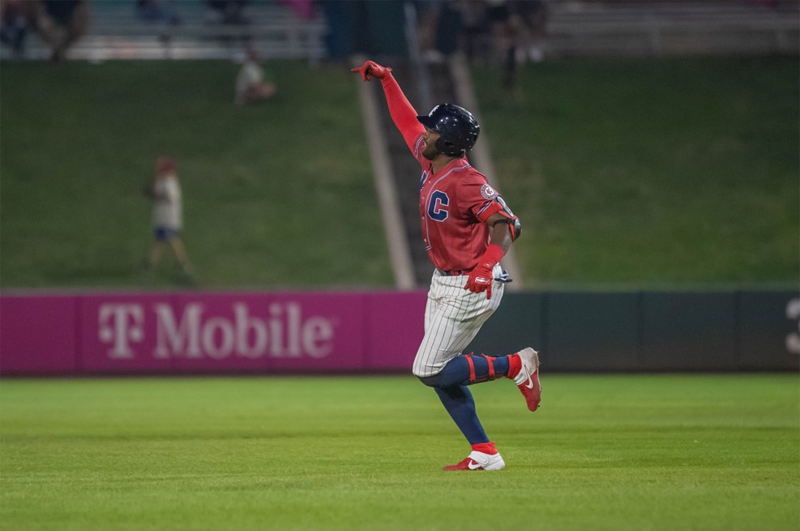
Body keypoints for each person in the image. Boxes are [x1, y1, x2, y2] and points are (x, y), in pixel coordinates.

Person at [352, 60, 541, 471]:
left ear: (450, 141)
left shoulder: (466, 180)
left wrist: (486, 263)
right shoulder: (432, 162)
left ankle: (515, 364)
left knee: (428, 367)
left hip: (473, 282)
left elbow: (507, 226)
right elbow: (406, 123)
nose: (426, 133)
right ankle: (484, 452)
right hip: (446, 280)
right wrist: (387, 80)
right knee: (442, 372)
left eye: (434, 130)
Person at [144, 156, 192, 277]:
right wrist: (152, 195)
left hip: (169, 217)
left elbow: (169, 199)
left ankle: (182, 265)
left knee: (171, 239)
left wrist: (154, 195)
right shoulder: (161, 181)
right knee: (160, 241)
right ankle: (151, 264)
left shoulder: (170, 183)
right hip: (161, 216)